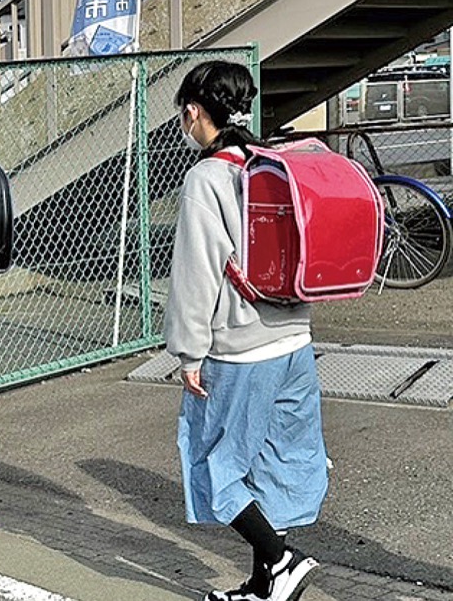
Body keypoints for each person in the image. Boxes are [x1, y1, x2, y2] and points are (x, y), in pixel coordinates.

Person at [166, 61, 325, 601]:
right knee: (273, 464)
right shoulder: (272, 164)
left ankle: (280, 560)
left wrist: (188, 352)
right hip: (295, 339)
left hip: (240, 349)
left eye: (183, 116)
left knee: (214, 463)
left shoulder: (206, 178)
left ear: (194, 112)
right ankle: (263, 586)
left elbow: (197, 272)